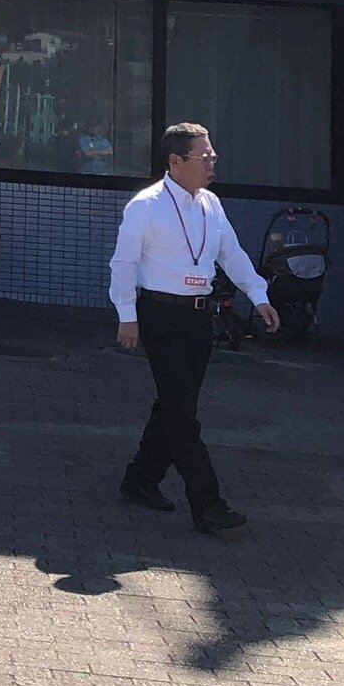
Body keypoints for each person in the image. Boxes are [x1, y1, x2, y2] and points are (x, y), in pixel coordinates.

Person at [109, 122, 277, 534]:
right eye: (205, 158)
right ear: (175, 161)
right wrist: (126, 316)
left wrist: (259, 295)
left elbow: (231, 254)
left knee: (175, 404)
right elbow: (123, 265)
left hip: (198, 317)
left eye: (213, 156)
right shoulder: (145, 206)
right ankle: (207, 503)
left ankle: (141, 480)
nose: (212, 164)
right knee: (182, 415)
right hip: (160, 314)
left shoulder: (211, 205)